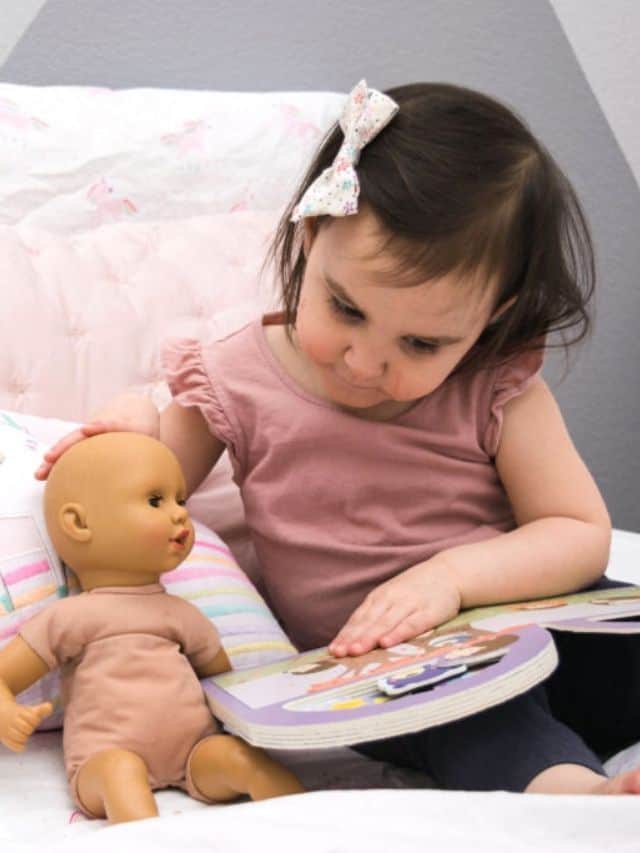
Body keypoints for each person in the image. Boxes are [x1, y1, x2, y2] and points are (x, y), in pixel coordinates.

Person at [35, 80, 640, 796]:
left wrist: (449, 577)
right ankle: (579, 797)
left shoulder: (495, 384)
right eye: (345, 308)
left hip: (533, 620)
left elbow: (576, 530)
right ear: (310, 233)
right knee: (484, 721)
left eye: (420, 342)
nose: (365, 362)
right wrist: (134, 429)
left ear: (491, 317)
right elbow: (149, 484)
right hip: (395, 667)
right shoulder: (233, 371)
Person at [1, 432, 303, 823]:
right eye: (156, 501)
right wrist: (7, 712)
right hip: (103, 760)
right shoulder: (67, 619)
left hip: (193, 754)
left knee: (242, 759)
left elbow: (227, 686)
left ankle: (315, 826)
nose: (179, 514)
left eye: (181, 500)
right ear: (79, 523)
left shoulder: (182, 615)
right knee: (121, 773)